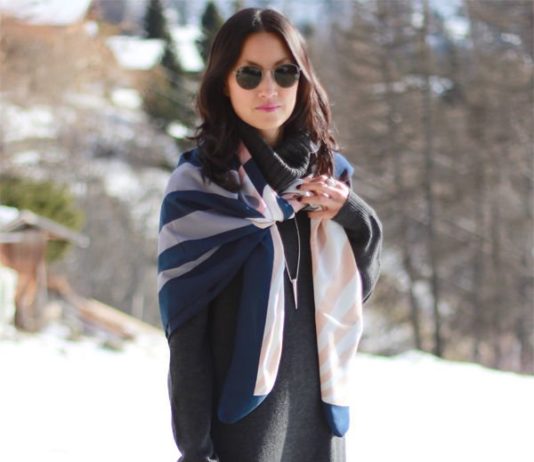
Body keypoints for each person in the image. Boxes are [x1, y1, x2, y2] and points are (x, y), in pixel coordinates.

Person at [158, 7, 382, 462]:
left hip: (319, 421)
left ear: (302, 81)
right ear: (224, 82)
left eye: (284, 72)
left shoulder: (328, 181)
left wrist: (355, 216)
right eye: (249, 74)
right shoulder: (199, 189)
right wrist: (195, 449)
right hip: (241, 430)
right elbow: (186, 335)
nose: (269, 88)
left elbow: (358, 291)